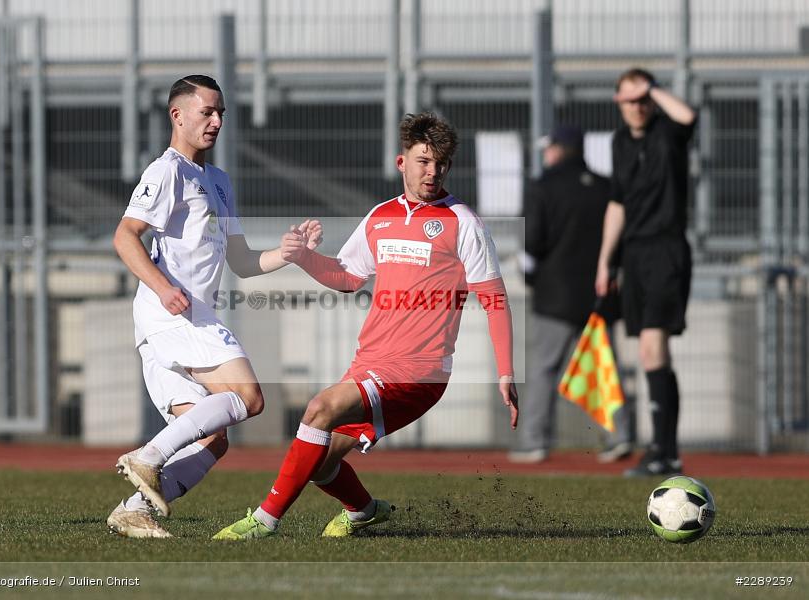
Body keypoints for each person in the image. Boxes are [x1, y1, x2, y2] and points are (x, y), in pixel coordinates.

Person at [211, 111, 519, 540]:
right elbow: (347, 277)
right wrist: (302, 257)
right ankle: (364, 510)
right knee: (320, 461)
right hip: (370, 362)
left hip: (418, 370)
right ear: (401, 163)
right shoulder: (381, 217)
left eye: (441, 164)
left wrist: (505, 371)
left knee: (319, 408)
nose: (433, 172)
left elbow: (494, 299)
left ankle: (263, 521)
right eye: (423, 161)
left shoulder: (463, 222)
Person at [108, 75, 321, 537]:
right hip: (172, 315)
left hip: (182, 318)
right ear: (177, 115)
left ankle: (132, 510)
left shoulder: (219, 182)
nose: (217, 121)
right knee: (249, 396)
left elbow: (242, 261)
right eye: (207, 111)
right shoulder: (166, 171)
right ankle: (146, 458)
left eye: (221, 112)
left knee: (212, 439)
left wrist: (288, 254)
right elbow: (125, 237)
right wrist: (164, 287)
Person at [595, 68, 696, 477]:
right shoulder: (618, 142)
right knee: (649, 352)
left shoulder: (668, 132)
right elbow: (617, 203)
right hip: (633, 255)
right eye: (628, 99)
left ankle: (663, 450)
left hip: (666, 249)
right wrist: (606, 260)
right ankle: (665, 449)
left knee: (654, 346)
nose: (636, 107)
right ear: (618, 103)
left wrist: (652, 88)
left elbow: (688, 117)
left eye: (642, 99)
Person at [512, 124, 632, 464]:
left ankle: (536, 440)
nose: (546, 154)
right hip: (599, 292)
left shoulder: (544, 186)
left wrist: (529, 275)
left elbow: (533, 239)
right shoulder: (605, 188)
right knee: (605, 368)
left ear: (559, 149)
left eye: (549, 148)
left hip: (555, 294)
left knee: (545, 368)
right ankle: (620, 435)